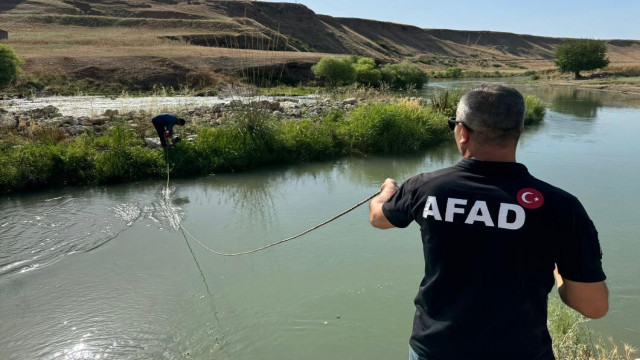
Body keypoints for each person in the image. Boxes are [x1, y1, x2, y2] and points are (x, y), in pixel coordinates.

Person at [369, 84, 608, 360]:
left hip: (436, 349)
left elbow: (379, 218)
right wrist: (558, 272)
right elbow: (594, 307)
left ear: (463, 132)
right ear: (520, 132)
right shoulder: (561, 206)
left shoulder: (425, 187)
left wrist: (387, 189)